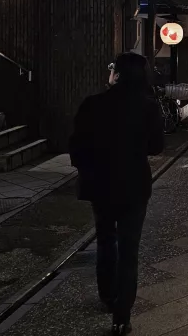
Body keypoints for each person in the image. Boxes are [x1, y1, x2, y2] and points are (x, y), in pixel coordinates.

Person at [69, 52, 164, 335]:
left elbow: (76, 147)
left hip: (100, 185)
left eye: (112, 69)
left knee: (105, 239)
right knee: (129, 249)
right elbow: (156, 147)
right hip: (134, 185)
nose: (109, 73)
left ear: (119, 74)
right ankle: (122, 317)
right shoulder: (149, 107)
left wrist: (91, 167)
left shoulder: (93, 104)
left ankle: (107, 296)